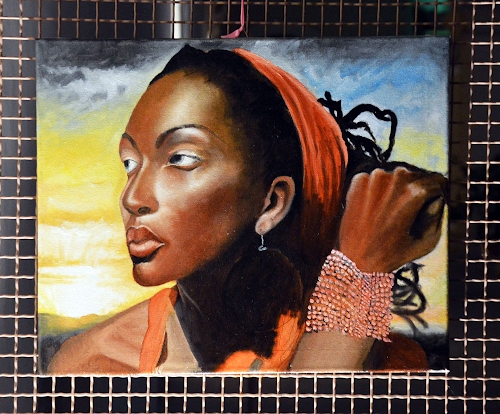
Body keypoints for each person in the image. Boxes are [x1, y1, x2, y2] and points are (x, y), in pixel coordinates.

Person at [48, 45, 446, 374]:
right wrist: (356, 280)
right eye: (130, 163)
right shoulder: (91, 366)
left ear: (271, 202)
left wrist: (358, 276)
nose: (132, 198)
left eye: (181, 158)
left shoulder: (388, 365)